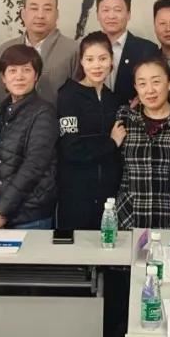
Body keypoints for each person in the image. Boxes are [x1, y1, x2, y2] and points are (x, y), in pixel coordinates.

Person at [57, 32, 124, 230]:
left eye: (103, 58)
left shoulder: (114, 99)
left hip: (109, 196)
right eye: (90, 59)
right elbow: (71, 149)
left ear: (111, 61)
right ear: (81, 62)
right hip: (76, 194)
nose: (97, 65)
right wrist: (111, 143)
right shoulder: (68, 95)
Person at [0, 44, 58, 230]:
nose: (19, 76)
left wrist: (2, 211)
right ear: (3, 78)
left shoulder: (44, 112)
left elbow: (34, 166)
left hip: (30, 215)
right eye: (12, 71)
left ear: (36, 76)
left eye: (26, 70)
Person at [114, 56, 170, 230]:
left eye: (156, 82)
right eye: (142, 84)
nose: (150, 90)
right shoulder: (124, 117)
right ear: (136, 88)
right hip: (130, 218)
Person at [0, 0, 78, 106]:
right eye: (34, 8)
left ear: (57, 15)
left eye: (47, 9)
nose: (40, 15)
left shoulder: (74, 50)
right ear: (23, 14)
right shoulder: (5, 49)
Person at [96, 0, 159, 101]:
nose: (111, 16)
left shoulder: (147, 50)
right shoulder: (88, 49)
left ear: (128, 14)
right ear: (97, 15)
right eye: (105, 10)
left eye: (117, 10)